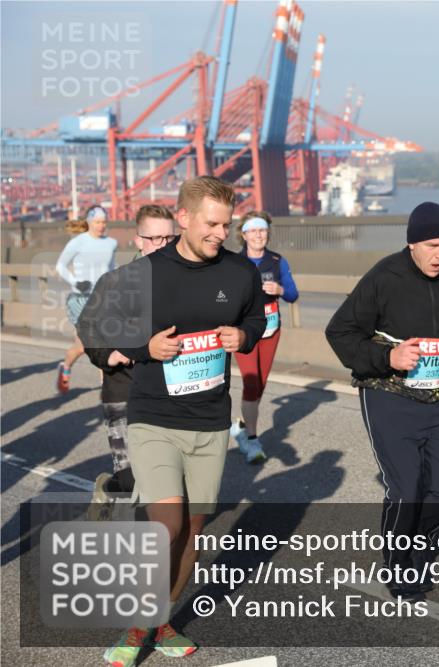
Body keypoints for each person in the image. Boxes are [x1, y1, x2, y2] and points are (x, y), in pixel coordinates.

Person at [83, 177, 266, 667]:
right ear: (183, 218)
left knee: (193, 532)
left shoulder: (241, 272)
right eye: (211, 223)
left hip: (210, 423)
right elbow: (96, 330)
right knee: (166, 526)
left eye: (226, 224)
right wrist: (146, 350)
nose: (220, 233)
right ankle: (139, 626)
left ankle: (161, 621)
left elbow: (257, 321)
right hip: (153, 418)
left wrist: (241, 336)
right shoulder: (141, 276)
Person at [326, 201, 439, 602]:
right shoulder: (385, 277)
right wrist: (387, 358)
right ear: (412, 243)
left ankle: (414, 538)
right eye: (432, 245)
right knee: (406, 487)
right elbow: (339, 332)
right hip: (388, 395)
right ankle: (399, 564)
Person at [81, 204, 176, 517]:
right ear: (139, 240)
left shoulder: (187, 284)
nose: (163, 245)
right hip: (124, 390)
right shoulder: (115, 281)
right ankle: (109, 489)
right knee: (131, 478)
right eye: (155, 239)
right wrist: (111, 354)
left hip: (169, 392)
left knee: (169, 479)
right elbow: (89, 325)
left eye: (169, 238)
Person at [230, 210, 299, 464]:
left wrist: (279, 289)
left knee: (259, 385)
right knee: (250, 384)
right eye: (253, 230)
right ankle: (251, 439)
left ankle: (240, 428)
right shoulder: (234, 263)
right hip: (245, 331)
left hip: (271, 329)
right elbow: (222, 298)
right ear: (244, 234)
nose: (259, 235)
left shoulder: (278, 261)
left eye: (263, 230)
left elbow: (293, 295)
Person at [55, 205, 117, 393]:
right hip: (80, 300)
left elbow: (112, 268)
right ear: (89, 222)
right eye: (97, 222)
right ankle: (65, 367)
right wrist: (76, 281)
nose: (101, 225)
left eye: (104, 222)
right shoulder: (78, 242)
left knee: (104, 343)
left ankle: (107, 387)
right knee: (85, 345)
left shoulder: (111, 243)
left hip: (102, 299)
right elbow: (60, 266)